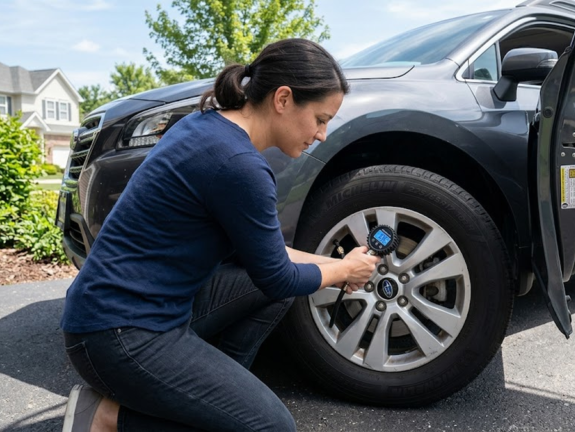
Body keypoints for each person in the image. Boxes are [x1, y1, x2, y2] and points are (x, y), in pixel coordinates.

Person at [60, 38, 380, 432]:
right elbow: (278, 276)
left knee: (266, 300)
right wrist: (345, 272)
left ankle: (213, 400)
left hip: (121, 312)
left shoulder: (207, 125)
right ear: (283, 99)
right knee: (271, 428)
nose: (323, 134)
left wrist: (337, 264)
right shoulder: (239, 165)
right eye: (320, 118)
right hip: (118, 335)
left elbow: (268, 257)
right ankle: (109, 418)